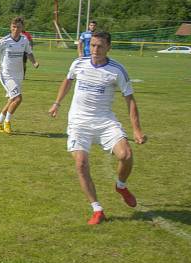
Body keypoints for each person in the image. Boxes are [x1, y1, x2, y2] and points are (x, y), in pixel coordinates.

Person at [48, 31, 146, 225]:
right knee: (81, 164)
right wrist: (57, 103)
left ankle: (121, 185)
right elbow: (68, 81)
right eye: (92, 45)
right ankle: (97, 209)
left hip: (104, 121)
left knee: (126, 155)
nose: (95, 50)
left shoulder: (117, 70)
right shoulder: (79, 63)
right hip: (78, 122)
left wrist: (136, 130)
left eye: (100, 46)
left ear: (109, 47)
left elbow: (130, 100)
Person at [0, 16, 39, 134]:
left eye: (18, 27)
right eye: (13, 27)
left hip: (19, 74)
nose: (15, 29)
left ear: (22, 28)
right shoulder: (4, 40)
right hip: (6, 74)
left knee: (12, 100)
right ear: (10, 27)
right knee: (18, 98)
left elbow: (29, 53)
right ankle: (7, 122)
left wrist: (34, 62)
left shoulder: (24, 40)